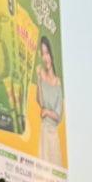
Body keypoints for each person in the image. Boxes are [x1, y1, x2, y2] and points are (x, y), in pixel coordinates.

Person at [35, 36, 64, 167]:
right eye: (42, 54)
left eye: (46, 53)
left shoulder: (58, 82)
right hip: (44, 130)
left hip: (53, 132)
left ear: (51, 54)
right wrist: (38, 80)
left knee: (56, 168)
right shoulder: (42, 77)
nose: (45, 58)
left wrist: (47, 112)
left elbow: (58, 115)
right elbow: (41, 104)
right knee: (43, 166)